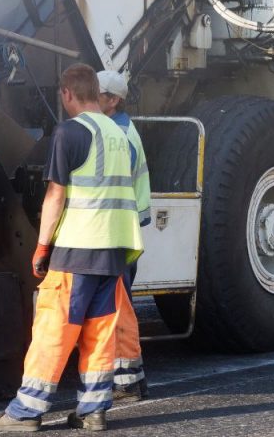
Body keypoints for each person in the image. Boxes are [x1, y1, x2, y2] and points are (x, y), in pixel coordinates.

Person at [0, 64, 144, 433]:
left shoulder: (70, 132)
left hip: (78, 248)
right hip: (114, 249)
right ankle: (93, 411)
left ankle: (25, 412)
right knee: (99, 333)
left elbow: (55, 195)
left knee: (54, 328)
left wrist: (41, 247)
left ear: (67, 93)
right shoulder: (121, 134)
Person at [97, 70, 152, 403]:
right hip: (125, 229)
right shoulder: (120, 130)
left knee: (117, 306)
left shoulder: (117, 136)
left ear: (113, 100)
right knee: (121, 304)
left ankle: (127, 382)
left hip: (117, 232)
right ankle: (133, 377)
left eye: (97, 93)